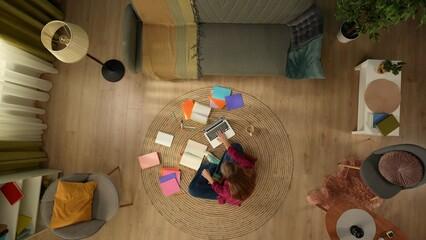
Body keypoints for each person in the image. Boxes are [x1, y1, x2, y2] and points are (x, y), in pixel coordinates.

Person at [188, 131, 256, 206]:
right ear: (237, 166)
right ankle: (216, 167)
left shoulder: (228, 191)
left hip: (225, 192)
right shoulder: (248, 167)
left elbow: (218, 189)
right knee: (236, 147)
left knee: (192, 190)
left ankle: (215, 166)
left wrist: (209, 178)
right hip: (235, 184)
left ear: (227, 179)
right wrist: (224, 141)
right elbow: (235, 154)